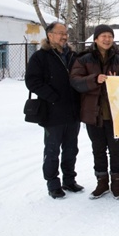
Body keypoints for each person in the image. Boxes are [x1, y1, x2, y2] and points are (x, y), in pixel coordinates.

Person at [69, 25, 119, 200]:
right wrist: (94, 79)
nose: (107, 39)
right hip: (93, 113)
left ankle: (116, 183)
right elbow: (75, 81)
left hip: (116, 114)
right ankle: (102, 182)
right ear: (96, 39)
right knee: (98, 149)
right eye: (103, 36)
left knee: (116, 149)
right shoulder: (83, 59)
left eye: (110, 36)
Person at [25, 22, 82, 199]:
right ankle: (53, 184)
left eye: (65, 33)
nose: (64, 36)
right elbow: (32, 81)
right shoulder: (40, 57)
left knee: (71, 149)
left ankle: (69, 180)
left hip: (73, 112)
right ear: (50, 35)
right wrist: (53, 97)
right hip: (52, 112)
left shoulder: (72, 56)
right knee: (52, 150)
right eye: (60, 33)